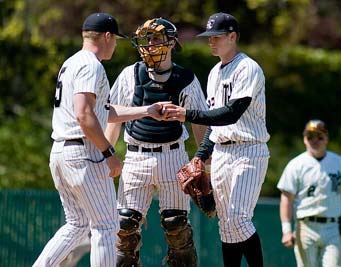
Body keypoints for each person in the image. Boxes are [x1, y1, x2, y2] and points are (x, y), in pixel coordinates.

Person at [33, 13, 168, 267]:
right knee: (106, 226)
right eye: (115, 39)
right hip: (83, 153)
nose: (116, 45)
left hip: (61, 152)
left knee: (77, 224)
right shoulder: (91, 65)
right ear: (107, 36)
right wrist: (109, 153)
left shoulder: (72, 62)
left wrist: (146, 110)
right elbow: (84, 115)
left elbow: (102, 112)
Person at [163, 12, 270, 267]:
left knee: (239, 218)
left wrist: (187, 114)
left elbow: (232, 113)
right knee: (226, 224)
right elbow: (214, 122)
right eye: (209, 37)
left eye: (217, 37)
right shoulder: (213, 73)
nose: (211, 41)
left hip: (249, 150)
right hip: (222, 151)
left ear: (233, 36)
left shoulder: (248, 68)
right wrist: (200, 156)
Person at [104, 18, 208, 267]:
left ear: (171, 43)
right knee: (124, 226)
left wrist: (204, 160)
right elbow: (112, 115)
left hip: (172, 156)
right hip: (136, 156)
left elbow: (199, 121)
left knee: (177, 226)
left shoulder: (186, 78)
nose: (150, 45)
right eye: (147, 40)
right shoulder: (131, 73)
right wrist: (106, 154)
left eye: (157, 40)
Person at [277, 119, 341, 267]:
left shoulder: (339, 163)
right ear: (304, 139)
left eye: (319, 136)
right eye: (310, 137)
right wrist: (286, 230)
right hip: (305, 227)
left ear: (327, 138)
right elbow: (286, 198)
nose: (315, 140)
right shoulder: (296, 165)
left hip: (332, 227)